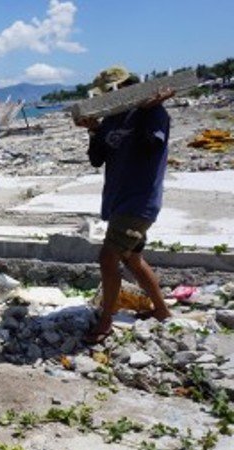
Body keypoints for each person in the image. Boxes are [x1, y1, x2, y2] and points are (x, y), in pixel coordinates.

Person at [76, 66, 175, 344]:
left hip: (140, 201)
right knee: (132, 258)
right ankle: (162, 311)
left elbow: (150, 148)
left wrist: (145, 110)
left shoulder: (154, 113)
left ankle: (106, 319)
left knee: (108, 258)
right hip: (118, 200)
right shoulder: (110, 119)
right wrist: (94, 130)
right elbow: (98, 159)